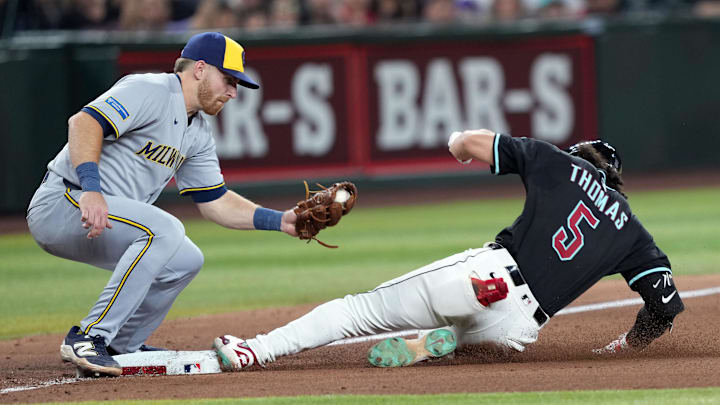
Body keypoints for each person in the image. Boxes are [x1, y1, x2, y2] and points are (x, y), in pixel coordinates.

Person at [213, 129, 684, 370]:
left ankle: (255, 351)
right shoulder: (633, 231)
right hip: (521, 326)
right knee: (477, 342)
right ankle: (448, 340)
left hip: (488, 276)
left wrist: (458, 144)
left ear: (580, 156)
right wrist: (622, 348)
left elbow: (473, 141)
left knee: (357, 312)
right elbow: (664, 309)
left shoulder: (559, 162)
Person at [26, 32, 299, 377]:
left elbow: (216, 202)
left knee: (185, 259)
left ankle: (118, 347)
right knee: (166, 229)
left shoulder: (197, 131)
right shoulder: (151, 89)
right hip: (64, 201)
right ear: (200, 69)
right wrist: (91, 189)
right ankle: (89, 336)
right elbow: (83, 122)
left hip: (105, 218)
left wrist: (282, 221)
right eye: (228, 80)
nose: (233, 92)